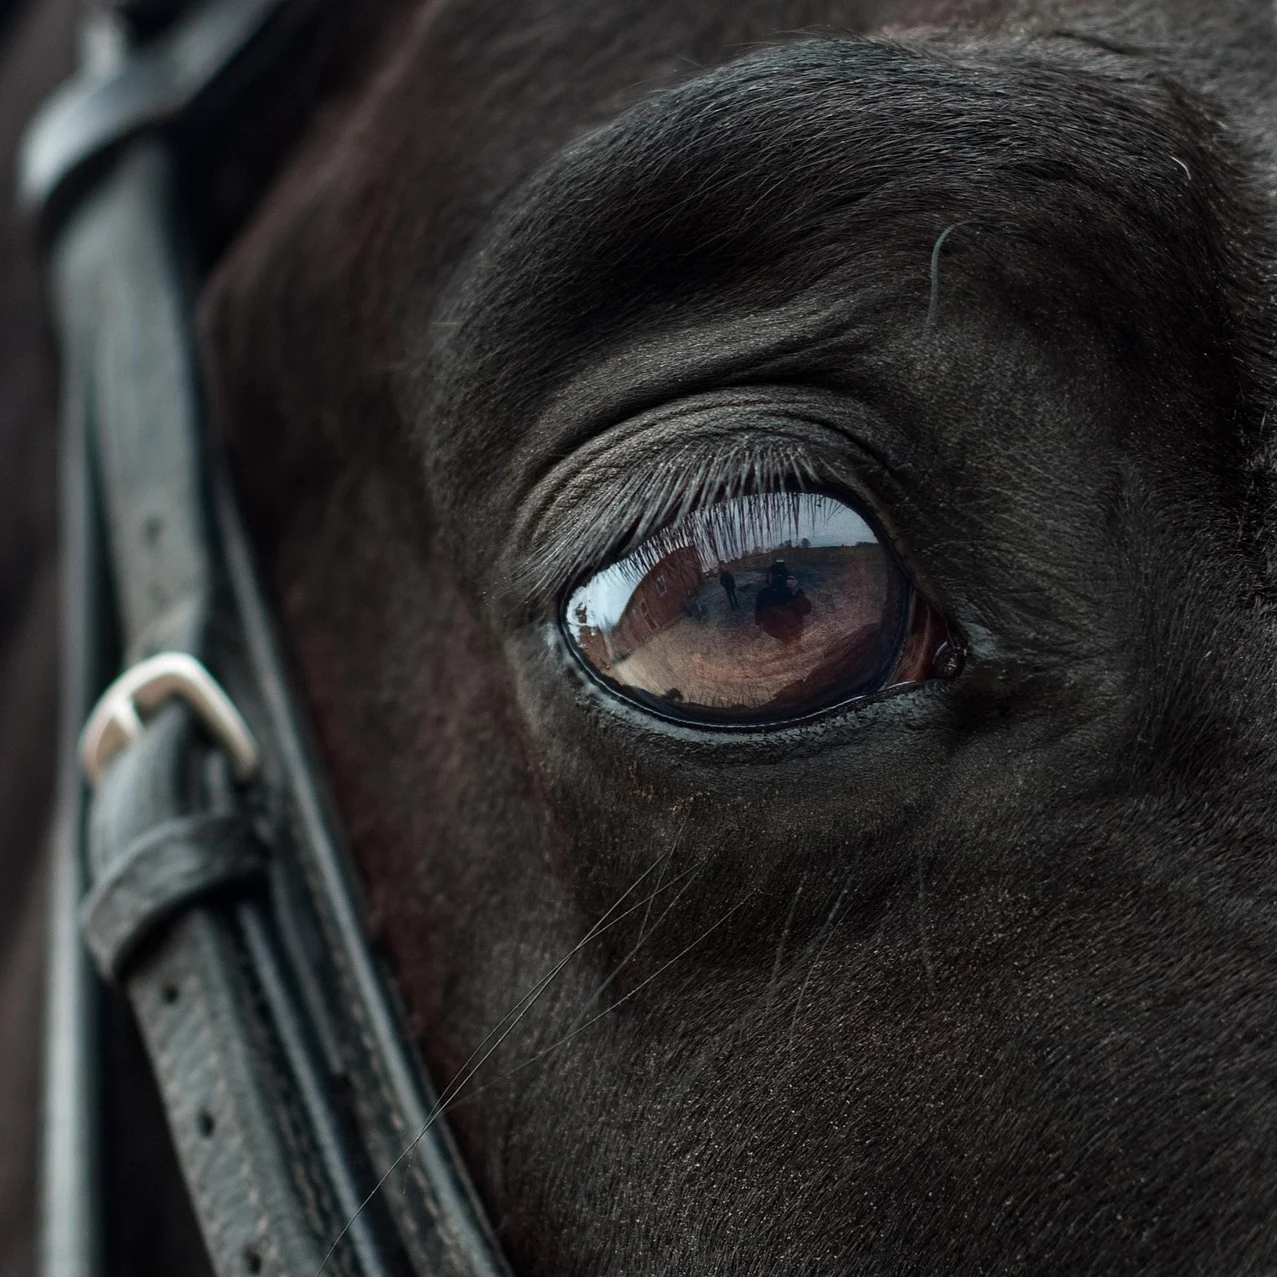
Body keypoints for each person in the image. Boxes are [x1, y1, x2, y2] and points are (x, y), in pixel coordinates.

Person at [754, 565, 812, 644]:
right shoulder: (764, 593)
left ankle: (794, 643)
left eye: (781, 576)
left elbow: (806, 609)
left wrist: (796, 592)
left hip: (793, 626)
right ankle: (792, 643)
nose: (777, 580)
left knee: (794, 634)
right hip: (777, 627)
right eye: (775, 577)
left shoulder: (790, 591)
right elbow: (760, 612)